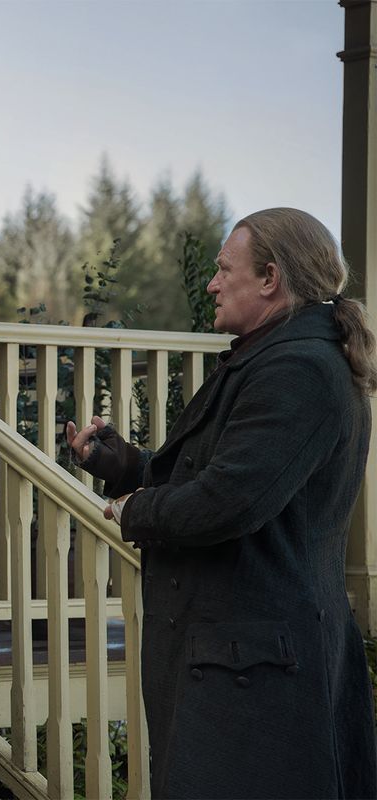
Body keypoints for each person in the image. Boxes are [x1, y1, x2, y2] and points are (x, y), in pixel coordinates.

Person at [66, 208, 377, 799]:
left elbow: (229, 501)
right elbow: (215, 473)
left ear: (269, 278)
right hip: (238, 667)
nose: (211, 283)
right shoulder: (263, 358)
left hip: (256, 677)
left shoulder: (300, 370)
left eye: (222, 269)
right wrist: (122, 465)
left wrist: (135, 511)